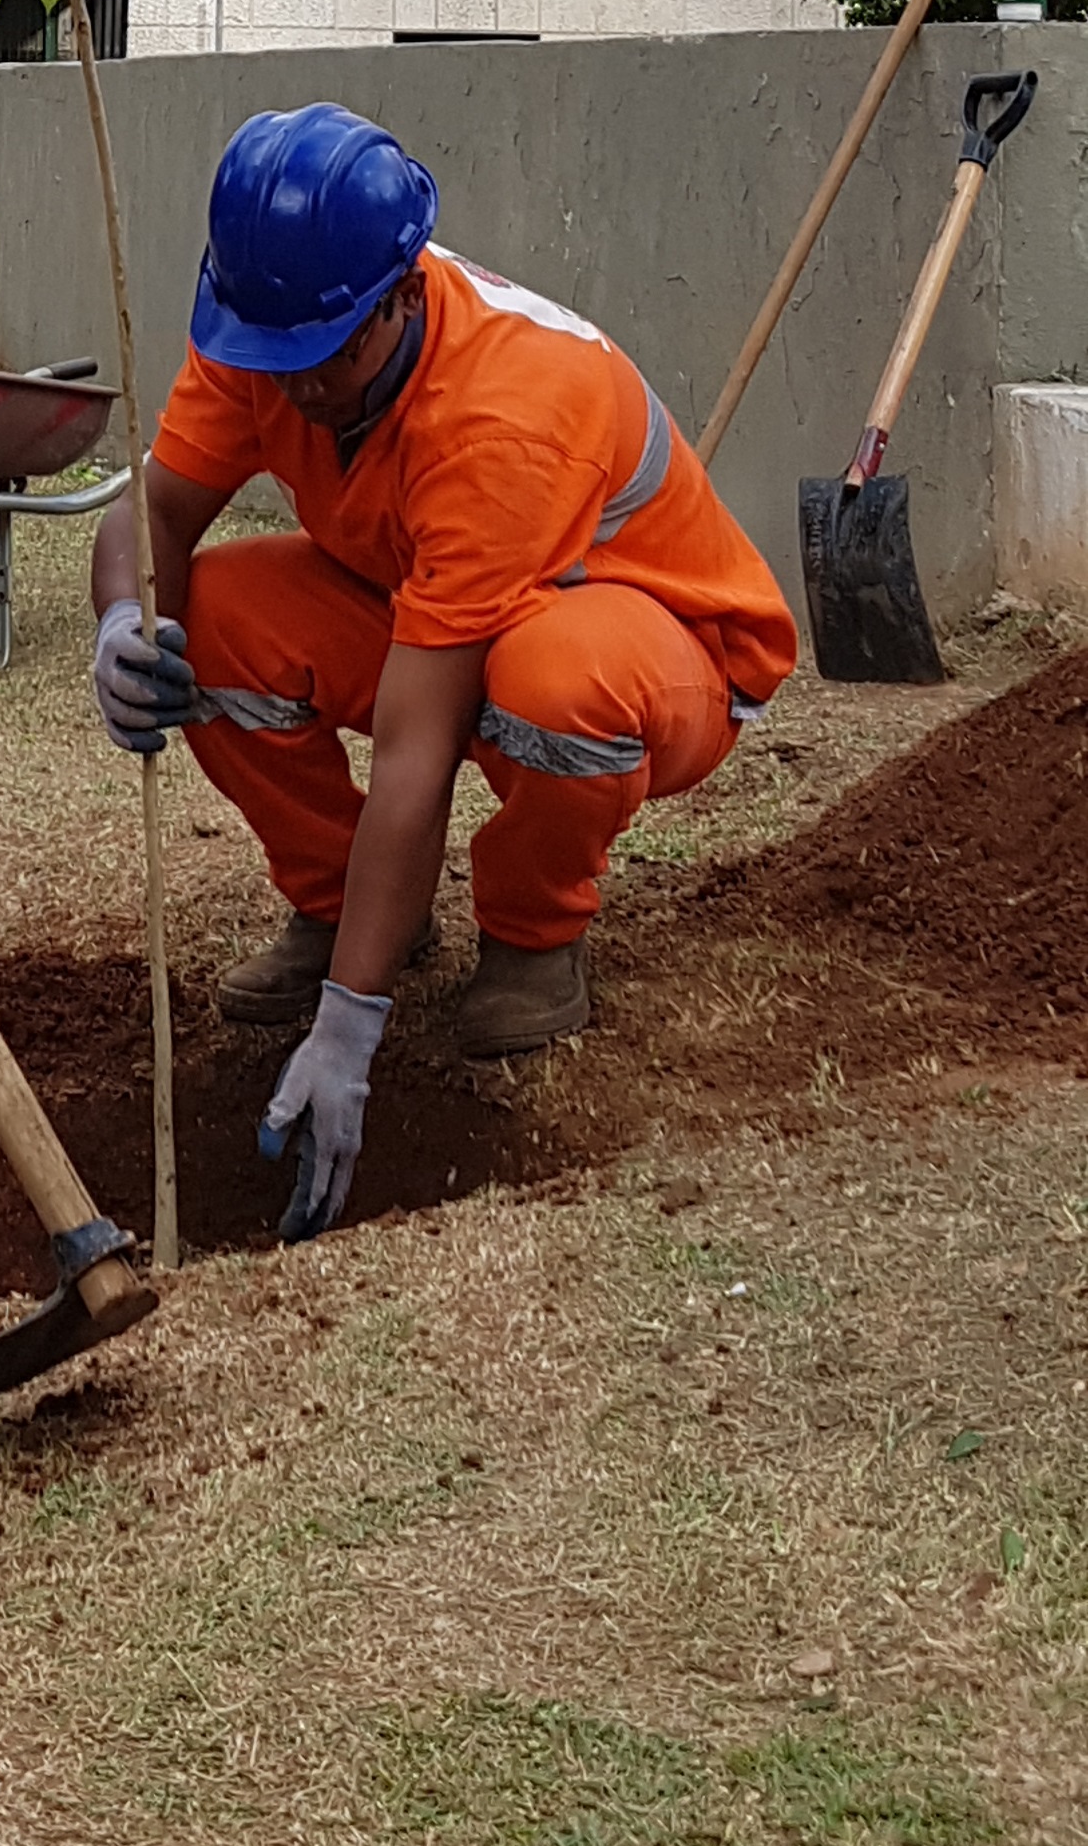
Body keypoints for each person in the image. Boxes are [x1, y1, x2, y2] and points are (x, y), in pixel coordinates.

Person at [90, 104, 797, 1243]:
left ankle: (533, 936)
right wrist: (123, 620)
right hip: (435, 603)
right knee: (208, 616)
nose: (297, 388)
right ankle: (345, 912)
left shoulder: (504, 418)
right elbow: (157, 512)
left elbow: (419, 755)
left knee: (549, 680)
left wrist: (350, 1032)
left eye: (326, 359)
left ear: (402, 296)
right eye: (272, 357)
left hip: (652, 645)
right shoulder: (272, 324)